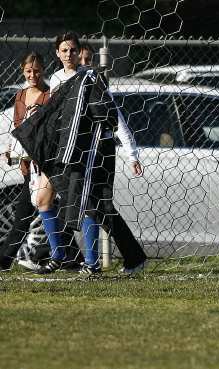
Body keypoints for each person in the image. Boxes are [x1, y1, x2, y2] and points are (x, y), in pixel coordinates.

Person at [18, 31, 146, 275]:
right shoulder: (55, 80)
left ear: (79, 53)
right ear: (57, 53)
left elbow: (113, 115)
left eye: (73, 50)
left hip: (87, 151)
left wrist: (132, 154)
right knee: (42, 198)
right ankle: (59, 255)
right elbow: (49, 118)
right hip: (59, 151)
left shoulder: (90, 78)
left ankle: (93, 263)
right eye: (64, 50)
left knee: (91, 204)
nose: (69, 54)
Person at [0, 51, 82, 271]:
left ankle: (4, 261)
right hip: (28, 163)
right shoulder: (19, 97)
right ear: (22, 71)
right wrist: (11, 151)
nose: (32, 75)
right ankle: (72, 257)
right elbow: (18, 129)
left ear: (43, 71)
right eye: (28, 71)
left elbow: (53, 129)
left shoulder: (49, 95)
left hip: (46, 162)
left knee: (27, 213)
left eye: (36, 71)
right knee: (44, 207)